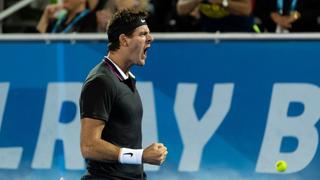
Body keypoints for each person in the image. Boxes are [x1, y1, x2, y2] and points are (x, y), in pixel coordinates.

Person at [79, 9, 168, 179]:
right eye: (143, 34)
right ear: (123, 40)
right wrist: (140, 156)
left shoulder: (125, 79)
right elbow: (89, 146)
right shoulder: (101, 81)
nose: (150, 38)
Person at [176, 0, 253, 32]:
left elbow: (246, 9)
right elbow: (180, 9)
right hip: (209, 33)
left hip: (238, 33)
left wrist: (222, 2)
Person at [255, 0, 320, 32]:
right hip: (270, 37)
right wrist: (271, 15)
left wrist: (298, 15)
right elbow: (257, 10)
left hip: (306, 37)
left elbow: (316, 10)